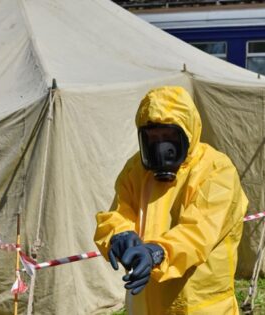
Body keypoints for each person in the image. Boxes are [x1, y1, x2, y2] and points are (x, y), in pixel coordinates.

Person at [94, 86, 248, 315]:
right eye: (152, 137)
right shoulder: (136, 169)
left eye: (168, 136)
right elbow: (120, 212)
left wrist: (157, 253)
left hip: (198, 305)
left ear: (188, 132)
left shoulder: (216, 170)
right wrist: (120, 235)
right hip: (145, 303)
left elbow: (199, 232)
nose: (160, 147)